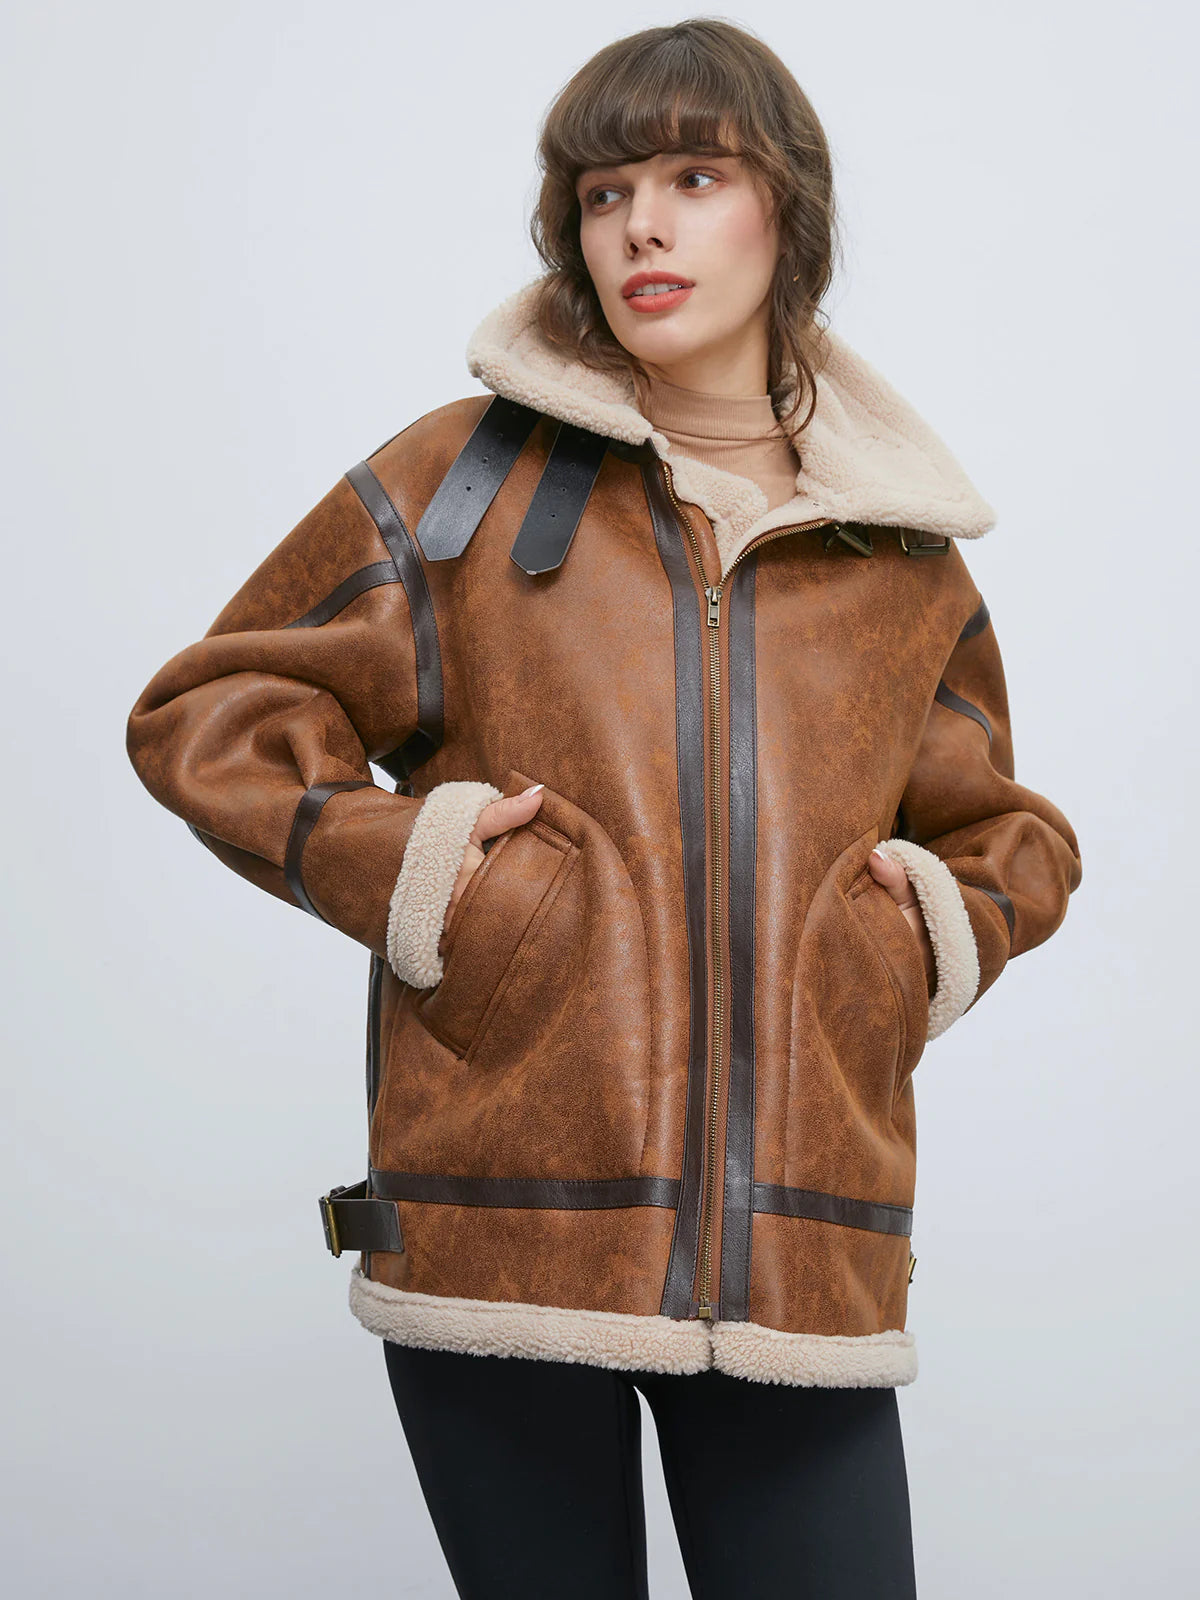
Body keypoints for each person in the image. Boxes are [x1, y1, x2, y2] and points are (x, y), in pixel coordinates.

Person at [125, 18, 1083, 1599]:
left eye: (695, 177)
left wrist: (910, 938)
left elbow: (1007, 837)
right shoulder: (464, 483)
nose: (641, 224)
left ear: (789, 209)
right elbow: (209, 713)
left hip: (802, 1256)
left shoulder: (898, 555)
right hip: (503, 1233)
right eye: (603, 191)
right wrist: (428, 868)